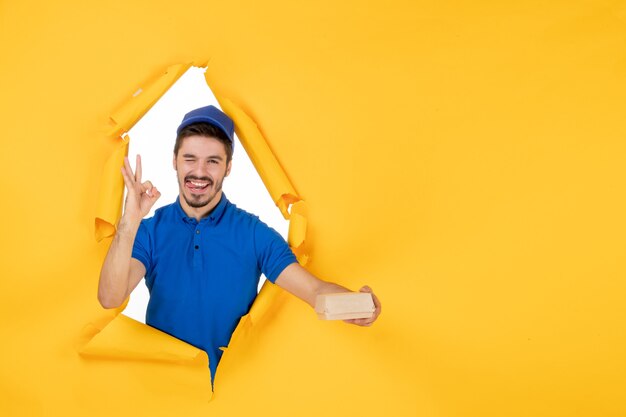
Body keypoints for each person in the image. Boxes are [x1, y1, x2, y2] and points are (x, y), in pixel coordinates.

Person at [98, 105, 381, 383]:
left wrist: (354, 305)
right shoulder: (149, 231)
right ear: (174, 161)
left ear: (228, 167)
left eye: (213, 161)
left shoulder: (254, 234)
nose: (199, 172)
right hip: (163, 392)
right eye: (190, 158)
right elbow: (110, 297)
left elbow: (314, 290)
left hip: (232, 394)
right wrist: (129, 220)